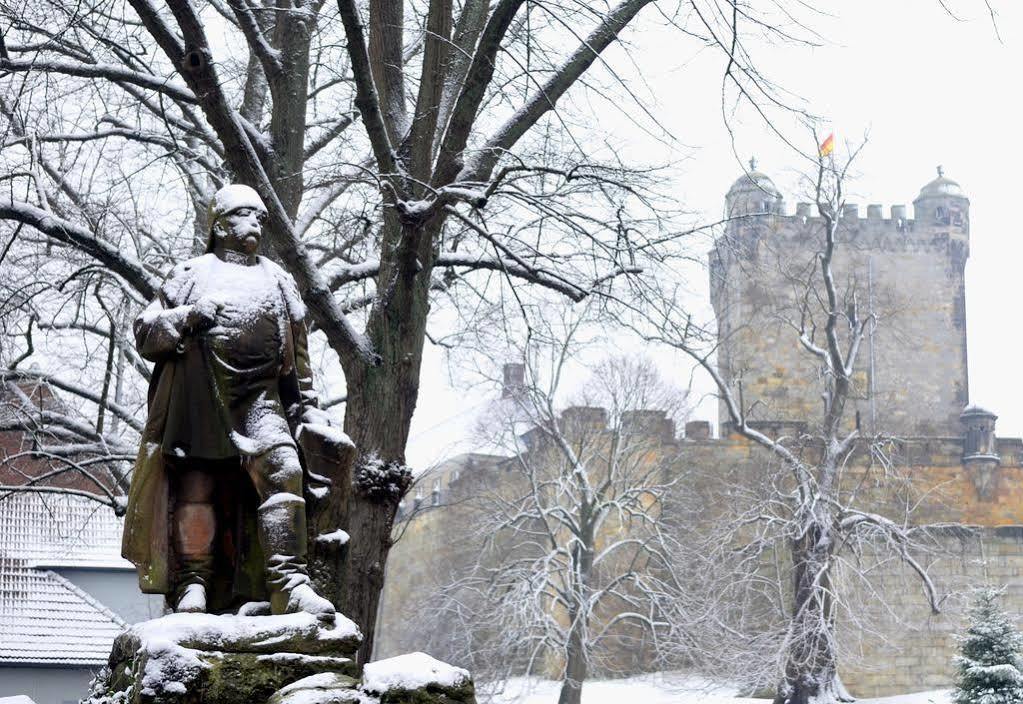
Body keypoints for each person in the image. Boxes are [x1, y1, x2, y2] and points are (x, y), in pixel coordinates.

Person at [121, 184, 336, 621]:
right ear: (219, 224)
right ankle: (193, 583)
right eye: (243, 215)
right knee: (197, 487)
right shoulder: (191, 273)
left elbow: (298, 355)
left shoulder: (277, 278)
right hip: (201, 397)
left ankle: (290, 583)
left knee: (285, 470)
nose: (254, 223)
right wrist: (186, 317)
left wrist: (308, 406)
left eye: (259, 217)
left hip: (260, 400)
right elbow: (145, 331)